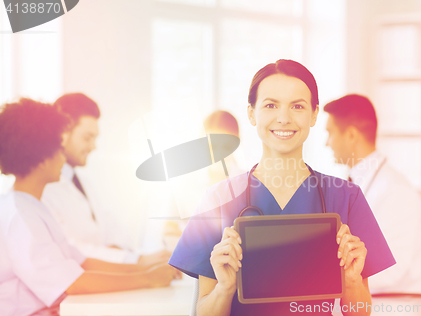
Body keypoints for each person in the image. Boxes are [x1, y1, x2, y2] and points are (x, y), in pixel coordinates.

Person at [168, 60, 396, 316]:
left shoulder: (346, 198)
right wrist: (225, 288)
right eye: (270, 105)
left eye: (297, 106)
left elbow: (360, 312)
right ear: (252, 113)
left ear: (313, 115)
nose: (284, 118)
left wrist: (352, 282)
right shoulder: (217, 199)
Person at [0, 99, 178, 316]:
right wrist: (147, 278)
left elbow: (82, 263)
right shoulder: (20, 215)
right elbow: (71, 283)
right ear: (41, 158)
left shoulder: (31, 207)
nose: (62, 154)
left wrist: (146, 269)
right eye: (58, 147)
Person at [324, 94, 421, 295]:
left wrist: (331, 274)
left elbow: (392, 270)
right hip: (368, 292)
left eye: (330, 133)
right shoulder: (357, 182)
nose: (327, 143)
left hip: (399, 299)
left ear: (351, 135)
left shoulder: (394, 190)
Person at [42, 93, 169, 265]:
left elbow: (114, 232)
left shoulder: (83, 184)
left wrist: (119, 253)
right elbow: (70, 250)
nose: (93, 146)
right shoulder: (44, 187)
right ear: (63, 133)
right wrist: (136, 260)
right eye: (87, 137)